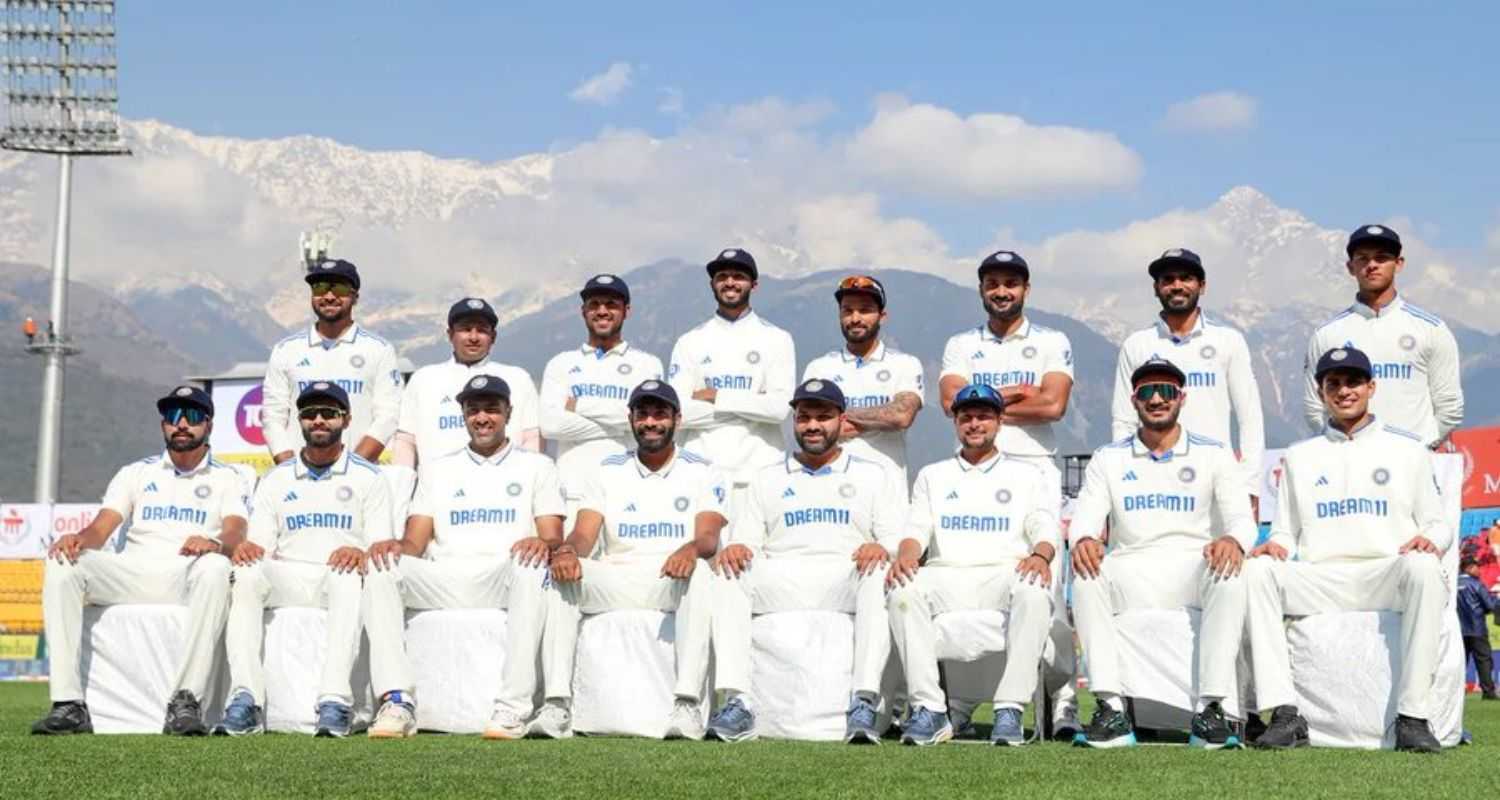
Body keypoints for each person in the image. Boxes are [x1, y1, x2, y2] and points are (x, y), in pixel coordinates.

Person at [1245, 346, 1450, 753]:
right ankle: (1285, 713)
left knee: (1425, 567)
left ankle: (1412, 717)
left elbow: (1437, 523)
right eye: (1333, 383)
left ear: (1371, 387)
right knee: (1256, 571)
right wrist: (1274, 546)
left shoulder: (1407, 449)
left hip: (1384, 572)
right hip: (1322, 578)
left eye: (1353, 382)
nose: (1343, 391)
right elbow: (1286, 532)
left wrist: (1433, 541)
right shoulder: (1301, 456)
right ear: (1321, 393)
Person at [32, 386, 248, 736]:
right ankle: (68, 704)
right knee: (63, 562)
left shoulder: (229, 477)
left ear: (208, 424)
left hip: (186, 573)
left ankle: (185, 701)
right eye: (172, 416)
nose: (181, 424)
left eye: (192, 416)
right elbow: (102, 529)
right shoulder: (136, 473)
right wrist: (79, 539)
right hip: (133, 569)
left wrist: (213, 542)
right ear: (163, 424)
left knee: (217, 567)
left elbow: (236, 532)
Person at [362, 374, 567, 739]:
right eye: (474, 410)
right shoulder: (438, 468)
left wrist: (541, 543)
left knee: (530, 563)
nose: (483, 418)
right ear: (463, 416)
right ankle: (396, 700)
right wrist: (394, 548)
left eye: (492, 409)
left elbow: (552, 536)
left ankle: (512, 708)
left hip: (502, 575)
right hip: (446, 576)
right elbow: (414, 543)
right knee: (382, 568)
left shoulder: (538, 467)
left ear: (509, 414)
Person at [705, 379, 906, 744]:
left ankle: (863, 701)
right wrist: (736, 547)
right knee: (728, 574)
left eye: (823, 417)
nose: (812, 426)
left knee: (878, 572)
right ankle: (738, 702)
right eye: (804, 418)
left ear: (842, 421)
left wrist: (882, 547)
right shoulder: (766, 477)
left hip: (844, 575)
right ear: (794, 421)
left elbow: (895, 539)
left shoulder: (875, 474)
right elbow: (747, 541)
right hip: (783, 575)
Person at [1069, 357, 1256, 749]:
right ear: (1134, 401)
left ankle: (1210, 710)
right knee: (1086, 575)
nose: (1157, 399)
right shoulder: (1109, 457)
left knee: (1231, 572)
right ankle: (1110, 708)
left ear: (1181, 399)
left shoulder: (1214, 453)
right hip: (1130, 564)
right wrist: (1085, 538)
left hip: (1191, 565)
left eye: (1167, 391)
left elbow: (1242, 519)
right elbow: (1085, 519)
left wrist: (1233, 540)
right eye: (1147, 392)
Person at [938, 249, 1080, 737]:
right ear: (981, 289)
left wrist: (985, 404)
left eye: (1011, 283)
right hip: (973, 474)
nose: (1002, 291)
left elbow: (1055, 404)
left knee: (1049, 596)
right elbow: (951, 403)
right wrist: (1017, 393)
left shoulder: (1050, 340)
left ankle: (1061, 694)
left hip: (1034, 470)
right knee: (974, 588)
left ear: (1026, 289)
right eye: (993, 283)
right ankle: (962, 699)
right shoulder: (960, 343)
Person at [545, 380, 727, 740]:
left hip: (669, 579)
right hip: (617, 577)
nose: (651, 422)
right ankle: (556, 703)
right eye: (642, 414)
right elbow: (584, 534)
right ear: (630, 419)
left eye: (660, 414)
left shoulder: (704, 468)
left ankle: (687, 703)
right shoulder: (607, 467)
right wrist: (566, 551)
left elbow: (708, 536)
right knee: (559, 574)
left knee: (703, 573)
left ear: (677, 418)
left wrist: (690, 549)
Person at [885, 384, 1058, 746]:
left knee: (1035, 590)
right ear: (956, 423)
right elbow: (917, 529)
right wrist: (905, 554)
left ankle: (1009, 708)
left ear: (999, 421)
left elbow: (1042, 526)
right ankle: (930, 710)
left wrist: (1041, 555)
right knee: (902, 588)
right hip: (947, 574)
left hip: (1003, 571)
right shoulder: (933, 475)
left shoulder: (1027, 475)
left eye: (983, 416)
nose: (974, 424)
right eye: (966, 417)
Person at [221, 382, 394, 738]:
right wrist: (247, 549)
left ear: (345, 420)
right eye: (310, 414)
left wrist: (360, 551)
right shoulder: (275, 479)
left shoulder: (370, 477)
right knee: (247, 570)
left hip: (339, 579)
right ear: (299, 421)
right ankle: (246, 698)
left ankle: (335, 701)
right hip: (290, 576)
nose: (318, 420)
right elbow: (260, 545)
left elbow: (380, 546)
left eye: (328, 414)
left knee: (347, 574)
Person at [1111, 248, 1264, 517]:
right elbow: (1123, 420)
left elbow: (1249, 416)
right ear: (1156, 289)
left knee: (1221, 557)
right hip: (1153, 477)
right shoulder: (1137, 345)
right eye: (1168, 279)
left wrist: (1249, 483)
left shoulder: (1228, 340)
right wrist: (1125, 475)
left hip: (1216, 476)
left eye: (1186, 278)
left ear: (1202, 286)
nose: (1177, 286)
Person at [1303, 225, 1463, 449]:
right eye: (1363, 258)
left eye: (1382, 258)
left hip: (1412, 466)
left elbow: (1450, 405)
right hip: (1350, 463)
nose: (1372, 265)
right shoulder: (1327, 334)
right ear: (1351, 267)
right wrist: (1339, 448)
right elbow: (1314, 405)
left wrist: (1420, 449)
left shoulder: (1431, 329)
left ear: (1399, 264)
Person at [668, 248, 795, 522]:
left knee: (752, 561)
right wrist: (752, 403)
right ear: (712, 284)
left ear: (754, 284)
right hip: (701, 472)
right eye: (722, 276)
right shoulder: (690, 341)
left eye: (738, 276)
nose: (730, 282)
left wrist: (715, 396)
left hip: (758, 472)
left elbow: (777, 410)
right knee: (701, 562)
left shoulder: (777, 339)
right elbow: (679, 415)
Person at [538, 275, 664, 518]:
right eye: (594, 305)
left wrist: (579, 405)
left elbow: (648, 424)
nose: (602, 311)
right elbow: (551, 425)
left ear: (627, 311)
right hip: (572, 492)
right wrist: (622, 426)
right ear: (583, 311)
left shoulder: (647, 365)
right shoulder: (561, 363)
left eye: (611, 305)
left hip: (627, 490)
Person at [262, 259, 404, 465]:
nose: (329, 296)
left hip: (359, 478)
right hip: (301, 477)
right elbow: (273, 418)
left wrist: (354, 467)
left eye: (338, 288)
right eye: (320, 288)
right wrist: (290, 469)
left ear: (355, 296)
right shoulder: (285, 350)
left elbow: (388, 416)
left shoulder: (379, 350)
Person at [391, 296, 541, 466]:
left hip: (503, 487)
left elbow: (531, 439)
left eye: (482, 330)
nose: (473, 337)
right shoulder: (424, 379)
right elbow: (406, 441)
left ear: (493, 336)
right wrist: (401, 487)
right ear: (450, 334)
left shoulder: (518, 379)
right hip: (437, 487)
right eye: (465, 329)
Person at [802, 275, 924, 481]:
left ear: (882, 316)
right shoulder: (819, 367)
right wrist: (878, 418)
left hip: (888, 486)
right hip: (832, 485)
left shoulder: (905, 364)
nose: (855, 318)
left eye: (865, 310)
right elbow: (809, 429)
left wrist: (838, 418)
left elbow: (901, 415)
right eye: (847, 311)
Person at [1458, 556, 1499, 700]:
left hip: (1458, 630)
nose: (1479, 570)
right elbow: (1490, 605)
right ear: (1469, 568)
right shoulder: (1476, 584)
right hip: (1477, 628)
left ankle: (1455, 692)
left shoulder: (1452, 584)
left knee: (1460, 662)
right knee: (1483, 660)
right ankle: (1488, 692)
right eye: (1477, 567)